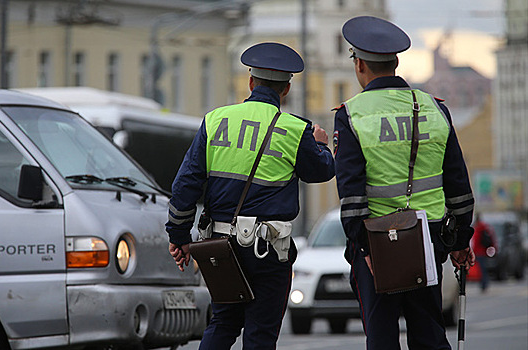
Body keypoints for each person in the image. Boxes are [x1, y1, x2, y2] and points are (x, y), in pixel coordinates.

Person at [165, 42, 335, 350]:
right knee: (260, 334)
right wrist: (321, 144)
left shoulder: (215, 120)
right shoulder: (296, 130)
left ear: (250, 82)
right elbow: (321, 172)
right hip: (268, 251)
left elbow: (185, 185)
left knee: (223, 323)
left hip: (221, 248)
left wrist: (178, 236)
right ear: (286, 89)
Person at [333, 16, 476, 349]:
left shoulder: (352, 114)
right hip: (427, 242)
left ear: (359, 64)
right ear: (396, 63)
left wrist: (363, 247)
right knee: (429, 333)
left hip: (377, 245)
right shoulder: (433, 109)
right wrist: (460, 240)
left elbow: (351, 192)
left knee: (382, 337)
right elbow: (457, 182)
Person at [471, 214, 497, 292]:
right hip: (483, 251)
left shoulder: (478, 229)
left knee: (482, 269)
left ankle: (484, 284)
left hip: (479, 252)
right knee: (483, 268)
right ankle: (484, 283)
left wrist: (473, 251)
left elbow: (476, 242)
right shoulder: (485, 227)